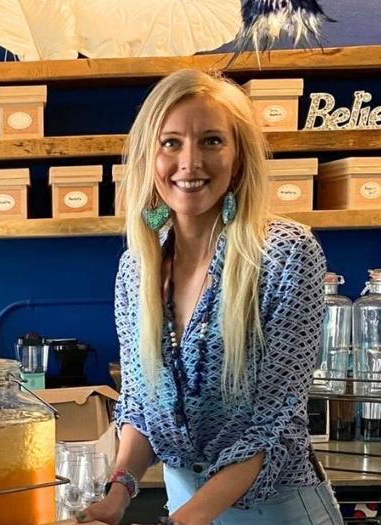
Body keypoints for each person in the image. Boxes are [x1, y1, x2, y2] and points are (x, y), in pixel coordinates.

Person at [78, 70, 342, 525]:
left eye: (212, 141)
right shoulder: (136, 268)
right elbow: (140, 409)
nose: (189, 162)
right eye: (171, 143)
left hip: (276, 511)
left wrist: (186, 519)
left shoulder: (286, 255)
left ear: (238, 158)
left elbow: (274, 424)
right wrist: (115, 497)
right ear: (149, 156)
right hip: (185, 507)